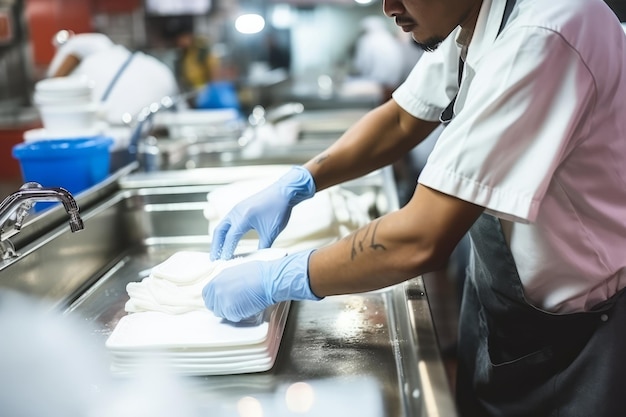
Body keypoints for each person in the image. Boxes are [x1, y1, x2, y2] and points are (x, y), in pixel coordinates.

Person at [203, 0, 626, 415]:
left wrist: (282, 276)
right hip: (504, 307)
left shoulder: (546, 30)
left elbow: (422, 238)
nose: (388, 7)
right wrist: (302, 181)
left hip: (577, 335)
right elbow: (403, 119)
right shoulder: (471, 22)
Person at [47, 32, 180, 125]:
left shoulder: (88, 52)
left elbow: (53, 83)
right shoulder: (113, 59)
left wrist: (53, 85)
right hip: (150, 123)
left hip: (120, 129)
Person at [350, 15, 407, 102]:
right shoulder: (388, 38)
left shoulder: (367, 40)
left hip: (377, 84)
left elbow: (361, 65)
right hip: (393, 85)